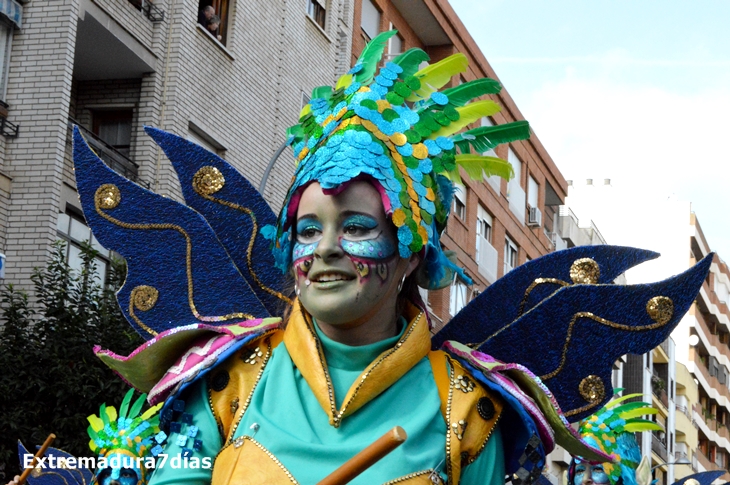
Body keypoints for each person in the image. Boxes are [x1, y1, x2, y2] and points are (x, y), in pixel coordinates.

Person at [68, 29, 711, 485]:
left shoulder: (469, 412)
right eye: (306, 228)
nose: (323, 251)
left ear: (410, 255)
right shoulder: (223, 384)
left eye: (355, 227)